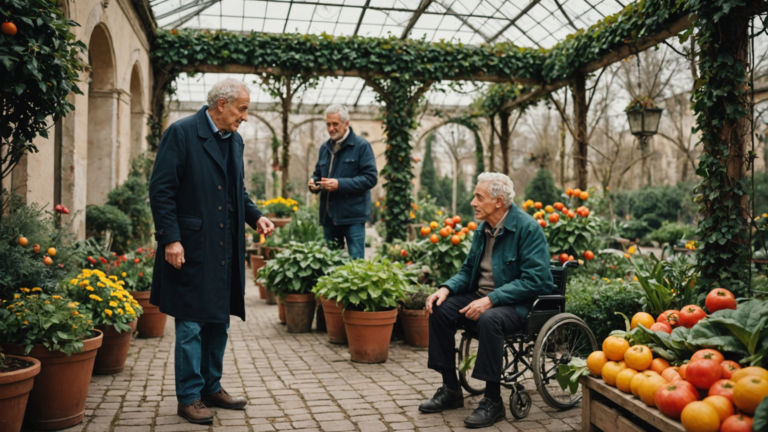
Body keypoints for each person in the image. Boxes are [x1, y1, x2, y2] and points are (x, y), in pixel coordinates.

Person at [149, 78, 275, 425]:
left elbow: (238, 192)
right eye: (242, 109)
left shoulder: (234, 141)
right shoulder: (182, 133)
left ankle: (211, 387)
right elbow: (161, 190)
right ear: (222, 105)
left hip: (224, 247)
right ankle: (188, 396)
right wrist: (171, 238)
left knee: (218, 320)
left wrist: (257, 216)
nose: (245, 117)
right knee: (190, 324)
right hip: (189, 247)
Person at [419, 172, 553, 428]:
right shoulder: (483, 230)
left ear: (499, 201)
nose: (473, 202)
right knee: (439, 308)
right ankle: (451, 389)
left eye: (479, 197)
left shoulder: (528, 228)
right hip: (484, 296)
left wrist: (492, 299)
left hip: (517, 305)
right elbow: (469, 270)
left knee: (489, 318)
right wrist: (446, 289)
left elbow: (537, 280)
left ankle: (493, 401)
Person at [308, 104, 378, 259]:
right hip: (329, 217)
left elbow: (370, 178)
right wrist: (314, 183)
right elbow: (318, 174)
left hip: (353, 217)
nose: (331, 128)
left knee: (356, 265)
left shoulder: (362, 146)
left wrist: (339, 184)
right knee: (331, 265)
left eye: (335, 124)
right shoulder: (324, 148)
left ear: (346, 123)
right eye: (328, 124)